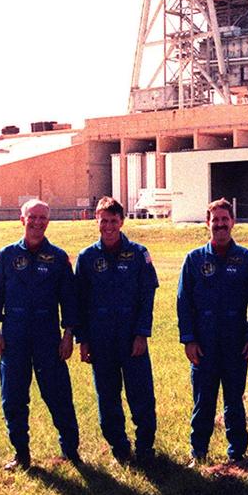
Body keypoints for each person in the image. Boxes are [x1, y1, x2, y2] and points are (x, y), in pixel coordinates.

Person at [0, 198, 80, 470]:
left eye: (43, 218)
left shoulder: (59, 258)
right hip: (14, 336)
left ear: (48, 222)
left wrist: (68, 335)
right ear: (22, 219)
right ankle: (21, 454)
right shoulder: (6, 256)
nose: (37, 222)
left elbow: (69, 301)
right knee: (13, 396)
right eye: (33, 217)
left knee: (58, 394)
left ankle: (71, 450)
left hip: (47, 336)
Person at [177, 198, 248, 466]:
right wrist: (189, 340)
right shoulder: (193, 260)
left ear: (233, 222)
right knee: (203, 400)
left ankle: (237, 453)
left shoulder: (246, 259)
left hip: (235, 343)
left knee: (234, 401)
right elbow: (184, 302)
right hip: (203, 343)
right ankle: (198, 452)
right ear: (207, 223)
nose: (220, 225)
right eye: (215, 220)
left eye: (225, 220)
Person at [74, 196, 159, 467]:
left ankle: (145, 447)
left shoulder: (138, 254)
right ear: (95, 221)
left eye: (113, 220)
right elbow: (79, 302)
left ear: (122, 221)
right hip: (101, 341)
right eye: (103, 220)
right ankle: (119, 447)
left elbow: (147, 297)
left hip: (131, 338)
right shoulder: (87, 258)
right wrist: (83, 340)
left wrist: (141, 334)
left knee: (141, 394)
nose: (108, 226)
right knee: (107, 396)